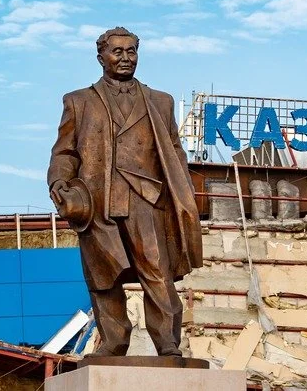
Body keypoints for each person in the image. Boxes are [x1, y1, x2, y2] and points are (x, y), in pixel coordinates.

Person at [47, 26, 202, 357]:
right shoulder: (78, 101)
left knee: (157, 272)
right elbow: (65, 152)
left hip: (146, 199)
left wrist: (184, 197)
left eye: (131, 51)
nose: (126, 58)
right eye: (117, 52)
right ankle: (115, 341)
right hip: (97, 201)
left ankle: (168, 343)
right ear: (101, 56)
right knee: (103, 277)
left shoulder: (161, 102)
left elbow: (174, 153)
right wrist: (59, 183)